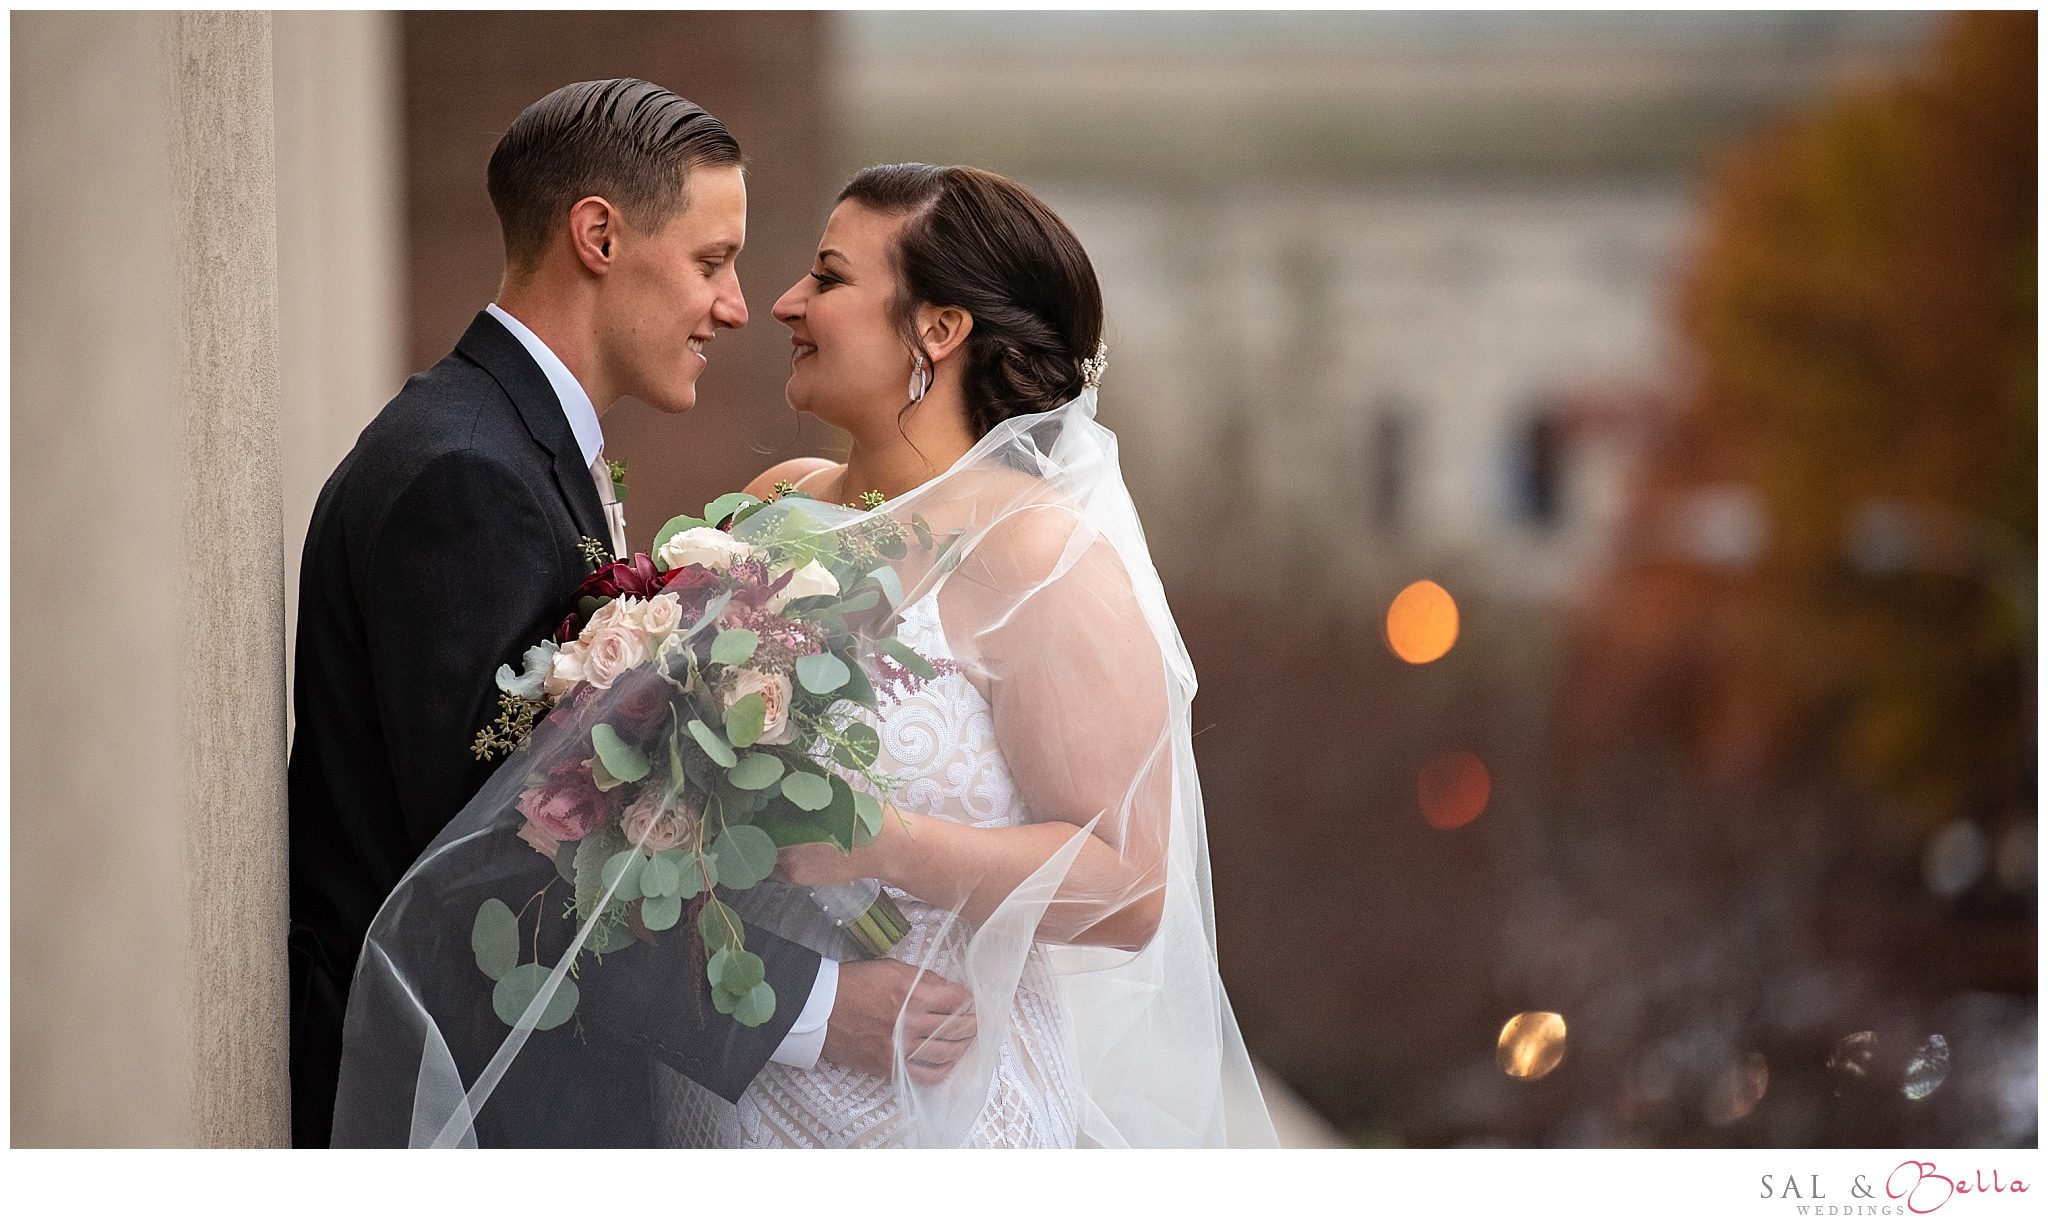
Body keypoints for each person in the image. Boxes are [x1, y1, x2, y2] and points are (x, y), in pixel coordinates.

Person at [295, 80, 970, 1148]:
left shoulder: (501, 443)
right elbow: (500, 859)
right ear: (599, 236)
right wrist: (815, 1008)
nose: (738, 306)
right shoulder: (465, 474)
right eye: (712, 262)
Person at [681, 162, 1278, 1146]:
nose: (785, 302)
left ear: (939, 328)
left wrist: (882, 844)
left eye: (828, 278)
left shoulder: (1037, 557)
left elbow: (1129, 890)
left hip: (930, 1103)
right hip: (732, 1080)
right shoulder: (771, 506)